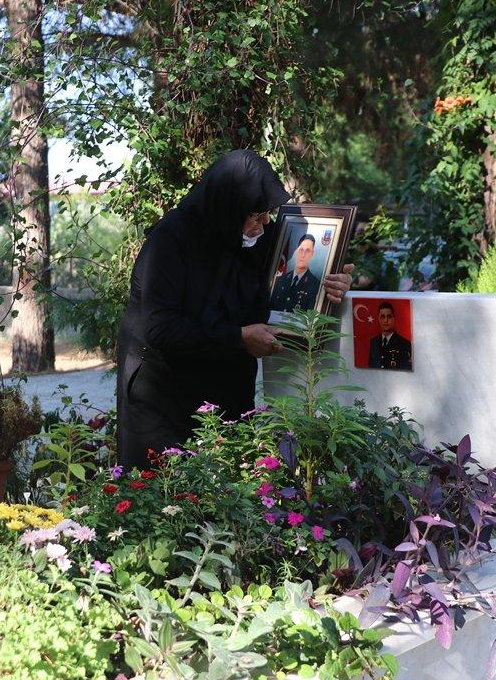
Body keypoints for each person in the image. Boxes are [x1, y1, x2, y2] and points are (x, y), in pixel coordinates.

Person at [116, 150, 352, 469]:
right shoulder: (171, 240)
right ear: (228, 209)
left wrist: (332, 281)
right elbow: (161, 328)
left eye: (267, 213)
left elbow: (286, 283)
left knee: (227, 497)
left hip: (225, 391)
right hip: (163, 397)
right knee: (167, 501)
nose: (265, 223)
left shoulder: (252, 235)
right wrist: (238, 337)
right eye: (256, 215)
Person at [268, 234, 321, 312]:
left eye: (307, 251)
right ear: (296, 251)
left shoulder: (316, 284)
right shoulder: (281, 280)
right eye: (301, 249)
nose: (303, 255)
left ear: (312, 254)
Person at [368, 301, 412, 370]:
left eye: (389, 316)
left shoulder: (404, 344)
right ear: (378, 319)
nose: (385, 321)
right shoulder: (373, 342)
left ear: (393, 318)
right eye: (382, 317)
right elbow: (371, 368)